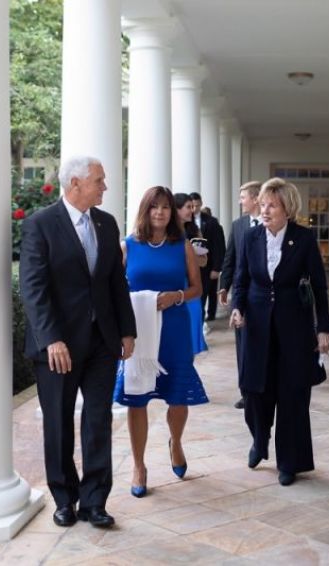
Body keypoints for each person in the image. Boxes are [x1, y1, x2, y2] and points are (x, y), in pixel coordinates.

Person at [19, 156, 136, 528]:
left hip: (102, 341)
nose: (105, 186)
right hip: (58, 346)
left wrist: (127, 330)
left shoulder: (106, 223)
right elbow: (33, 288)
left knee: (98, 420)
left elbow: (116, 282)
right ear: (75, 184)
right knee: (58, 424)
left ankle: (95, 501)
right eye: (99, 180)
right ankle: (65, 499)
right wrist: (51, 338)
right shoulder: (40, 225)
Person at [230, 177, 329, 487]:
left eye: (271, 204)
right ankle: (260, 440)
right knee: (254, 390)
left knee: (292, 395)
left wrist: (323, 328)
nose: (265, 210)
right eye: (262, 204)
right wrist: (237, 307)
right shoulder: (250, 237)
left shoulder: (303, 239)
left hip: (294, 328)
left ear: (288, 208)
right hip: (256, 327)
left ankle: (290, 461)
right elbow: (242, 278)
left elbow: (318, 284)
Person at [114, 186, 208, 497]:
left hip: (175, 329)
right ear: (145, 209)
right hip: (139, 332)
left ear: (172, 212)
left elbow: (196, 288)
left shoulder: (182, 246)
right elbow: (112, 289)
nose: (160, 212)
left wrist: (176, 296)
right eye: (154, 207)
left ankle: (176, 441)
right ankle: (139, 465)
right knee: (136, 398)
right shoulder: (128, 246)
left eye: (165, 207)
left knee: (178, 397)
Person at [219, 181, 262, 410]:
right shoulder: (238, 226)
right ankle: (246, 392)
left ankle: (263, 388)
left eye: (243, 197)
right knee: (242, 345)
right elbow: (230, 259)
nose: (240, 201)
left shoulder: (271, 222)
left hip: (265, 295)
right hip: (241, 295)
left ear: (256, 199)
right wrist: (224, 286)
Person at [174, 192, 208, 356]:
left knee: (192, 325)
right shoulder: (165, 232)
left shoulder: (195, 231)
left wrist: (192, 254)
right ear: (177, 209)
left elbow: (204, 262)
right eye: (188, 207)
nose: (192, 210)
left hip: (191, 286)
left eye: (193, 207)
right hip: (173, 284)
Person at [190, 192, 225, 324]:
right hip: (190, 266)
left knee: (204, 294)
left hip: (208, 265)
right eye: (191, 206)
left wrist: (217, 268)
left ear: (201, 204)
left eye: (197, 206)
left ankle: (204, 319)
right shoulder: (184, 222)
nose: (194, 209)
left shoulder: (211, 222)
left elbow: (218, 246)